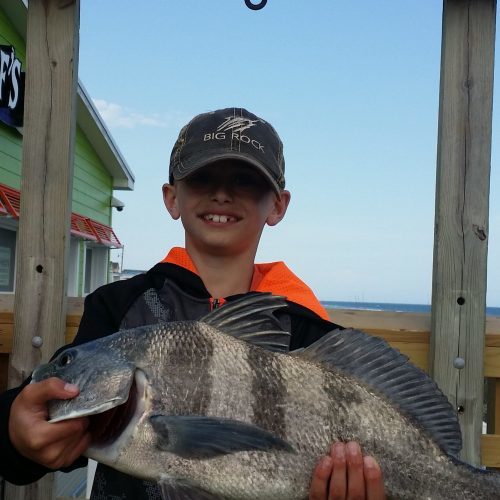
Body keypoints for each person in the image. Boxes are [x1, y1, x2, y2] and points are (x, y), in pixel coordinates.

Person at [0, 107, 385, 499]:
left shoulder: (306, 328)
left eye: (245, 180)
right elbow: (48, 423)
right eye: (201, 178)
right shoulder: (117, 309)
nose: (222, 193)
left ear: (278, 205)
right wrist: (16, 432)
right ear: (172, 198)